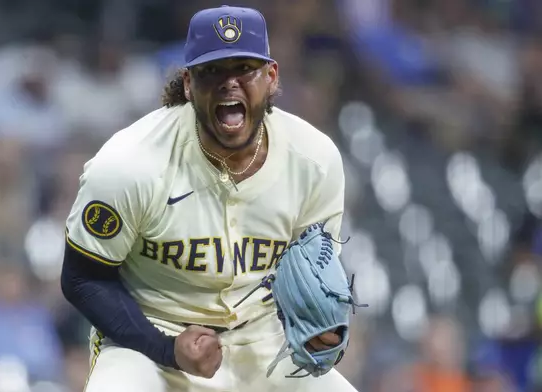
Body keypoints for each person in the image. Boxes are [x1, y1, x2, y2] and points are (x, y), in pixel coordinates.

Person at [61, 5, 358, 392]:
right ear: (188, 84)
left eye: (244, 69)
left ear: (271, 77)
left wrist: (322, 331)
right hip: (151, 344)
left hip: (264, 345)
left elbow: (318, 274)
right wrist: (167, 349)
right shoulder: (129, 164)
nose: (229, 82)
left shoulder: (314, 161)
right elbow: (82, 278)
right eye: (212, 70)